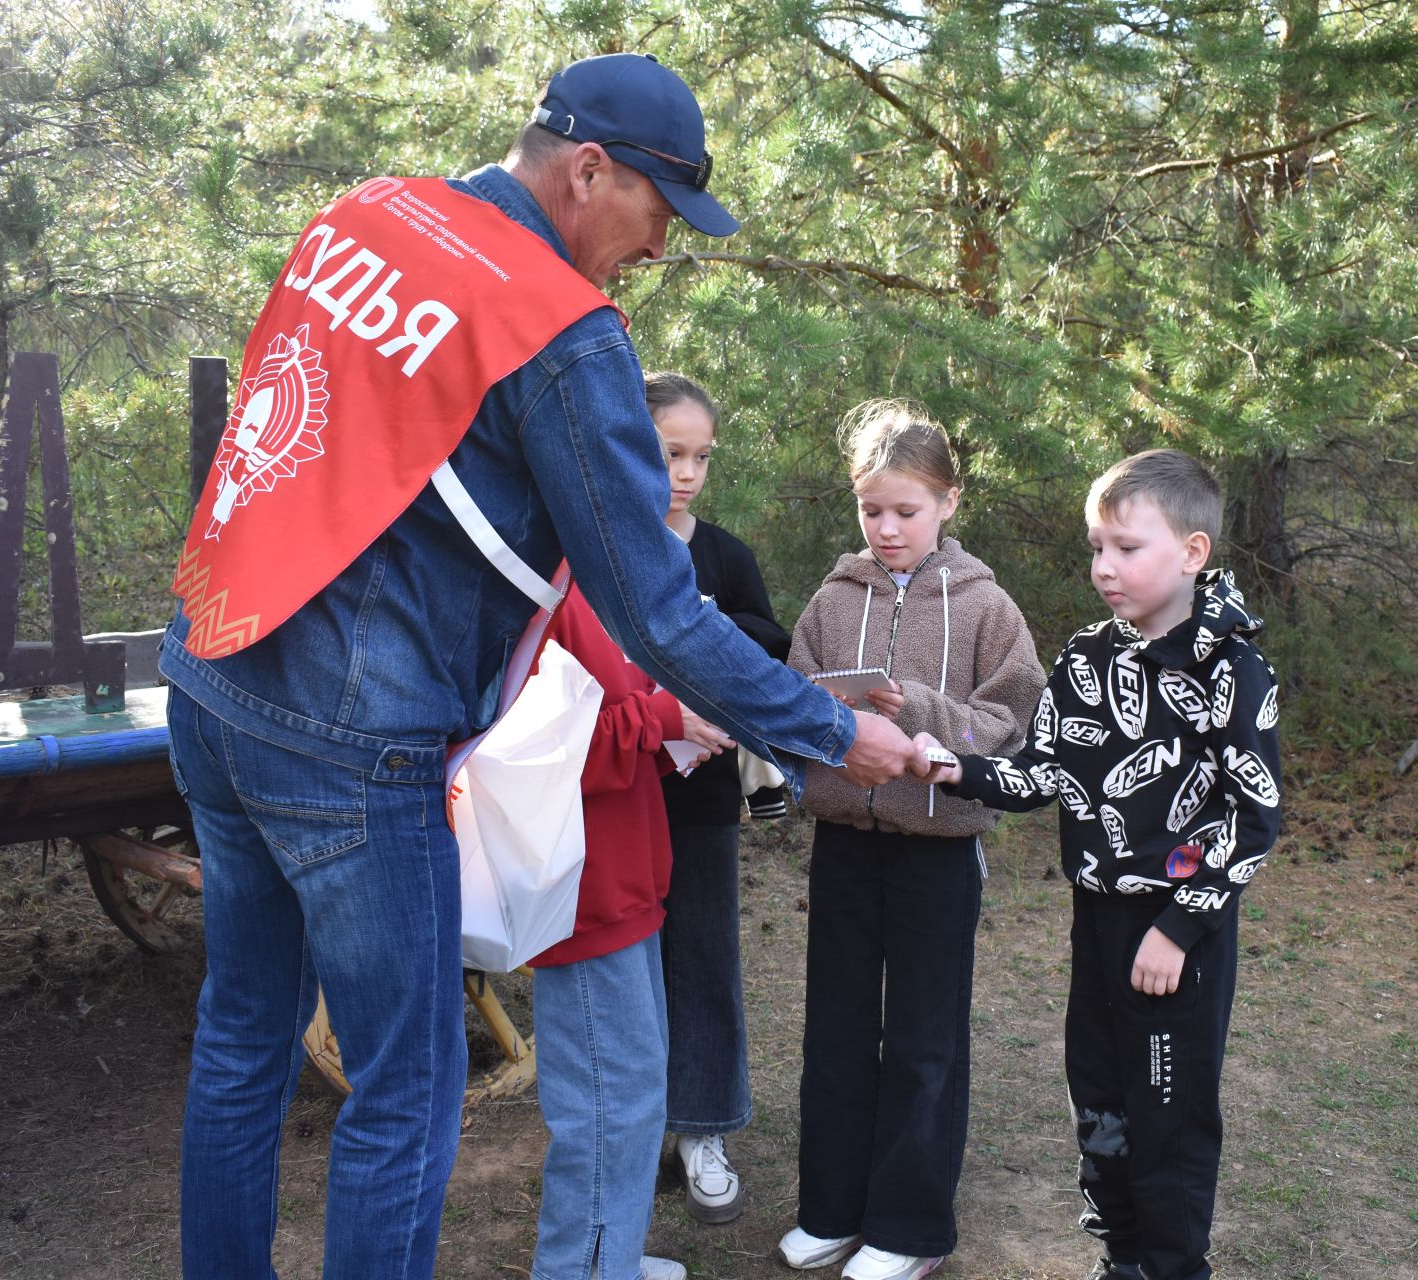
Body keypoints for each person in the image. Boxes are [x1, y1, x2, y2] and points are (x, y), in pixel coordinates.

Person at [159, 52, 922, 1280]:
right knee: (407, 1087)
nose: (659, 249)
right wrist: (829, 732)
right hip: (352, 736)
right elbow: (658, 611)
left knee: (243, 1037)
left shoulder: (371, 213)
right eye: (660, 214)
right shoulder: (559, 334)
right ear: (587, 170)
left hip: (211, 662)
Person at [917, 449, 1283, 1280]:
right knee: (1101, 1097)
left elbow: (1253, 818)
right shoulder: (1087, 658)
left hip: (1176, 935)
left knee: (1169, 1113)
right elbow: (1044, 769)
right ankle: (1121, 1257)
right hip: (1099, 921)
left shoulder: (1234, 667)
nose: (1103, 568)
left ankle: (1173, 1265)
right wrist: (955, 766)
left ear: (1192, 552)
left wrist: (1181, 928)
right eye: (1096, 547)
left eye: (1126, 547)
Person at [778, 400, 1046, 1280]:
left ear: (948, 505)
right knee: (838, 1029)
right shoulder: (829, 598)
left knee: (926, 1040)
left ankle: (910, 1230)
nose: (887, 529)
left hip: (940, 852)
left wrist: (922, 714)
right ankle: (833, 1211)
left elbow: (1013, 727)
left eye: (907, 510)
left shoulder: (988, 609)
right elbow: (787, 706)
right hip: (847, 843)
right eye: (871, 510)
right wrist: (833, 718)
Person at [523, 578, 734, 1280]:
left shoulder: (584, 581)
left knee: (635, 1098)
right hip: (584, 899)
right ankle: (582, 1269)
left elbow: (617, 714)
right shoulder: (533, 589)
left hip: (627, 882)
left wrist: (671, 726)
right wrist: (659, 720)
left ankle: (607, 1257)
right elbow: (533, 753)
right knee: (607, 1112)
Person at [647, 371, 785, 1225]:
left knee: (700, 958)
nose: (688, 473)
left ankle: (702, 1129)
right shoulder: (595, 543)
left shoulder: (726, 555)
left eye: (701, 456)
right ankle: (618, 1134)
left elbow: (771, 641)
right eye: (671, 453)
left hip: (696, 800)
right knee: (615, 972)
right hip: (604, 790)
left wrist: (709, 624)